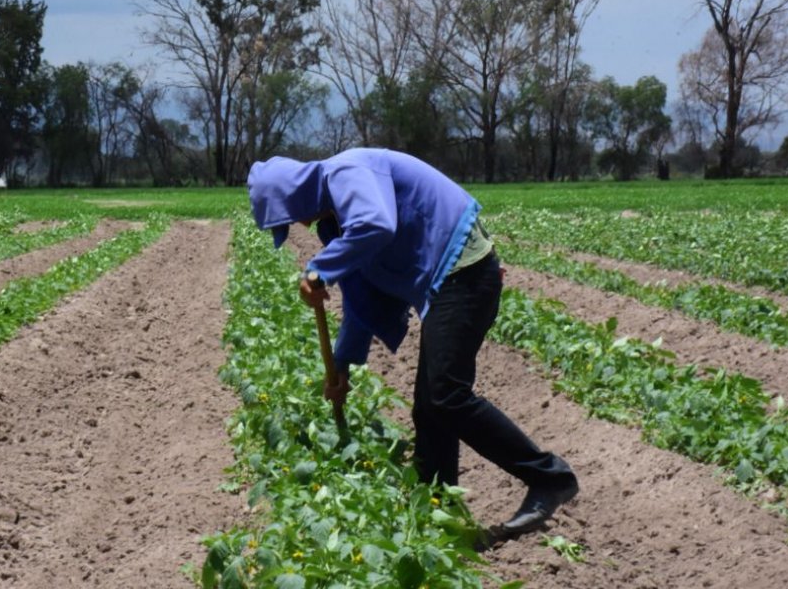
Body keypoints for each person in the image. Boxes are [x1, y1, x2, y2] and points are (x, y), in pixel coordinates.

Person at [247, 147, 578, 539]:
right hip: (448, 283)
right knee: (428, 407)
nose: (298, 224)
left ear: (294, 194)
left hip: (465, 271)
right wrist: (341, 364)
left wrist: (320, 270)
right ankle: (437, 513)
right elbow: (360, 301)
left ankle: (549, 478)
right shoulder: (335, 225)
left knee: (445, 395)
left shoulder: (345, 173)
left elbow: (377, 224)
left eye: (290, 215)